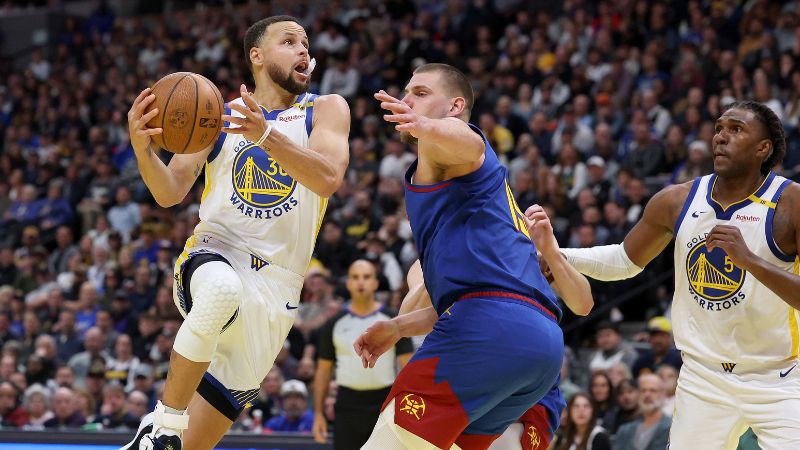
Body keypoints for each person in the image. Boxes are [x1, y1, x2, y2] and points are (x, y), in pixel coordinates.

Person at [122, 14, 349, 450]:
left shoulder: (326, 109)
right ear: (257, 57)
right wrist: (142, 149)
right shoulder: (214, 117)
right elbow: (169, 192)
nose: (304, 50)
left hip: (278, 288)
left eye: (306, 43)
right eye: (289, 41)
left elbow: (326, 178)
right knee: (221, 291)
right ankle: (163, 425)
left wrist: (266, 135)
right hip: (215, 253)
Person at [355, 63, 592, 449]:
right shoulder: (491, 211)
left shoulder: (454, 150)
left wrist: (424, 125)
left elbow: (469, 141)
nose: (406, 99)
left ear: (455, 106)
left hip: (489, 329)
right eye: (406, 91)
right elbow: (478, 293)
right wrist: (398, 328)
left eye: (419, 92)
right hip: (542, 350)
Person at [560, 101, 800, 448]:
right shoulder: (677, 200)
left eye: (736, 129)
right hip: (703, 378)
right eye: (719, 128)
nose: (721, 137)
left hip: (779, 377)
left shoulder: (790, 204)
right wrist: (559, 255)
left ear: (763, 148)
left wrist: (750, 261)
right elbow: (624, 260)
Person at [312, 260, 414, 449]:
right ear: (348, 283)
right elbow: (323, 371)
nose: (361, 282)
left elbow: (409, 367)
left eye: (366, 277)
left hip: (384, 404)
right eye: (355, 277)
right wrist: (318, 413)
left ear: (375, 283)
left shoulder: (393, 322)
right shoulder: (334, 324)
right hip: (347, 405)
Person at [612, 374, 671, 450]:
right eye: (643, 390)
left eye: (653, 390)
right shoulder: (624, 431)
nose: (647, 395)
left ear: (663, 395)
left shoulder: (672, 428)